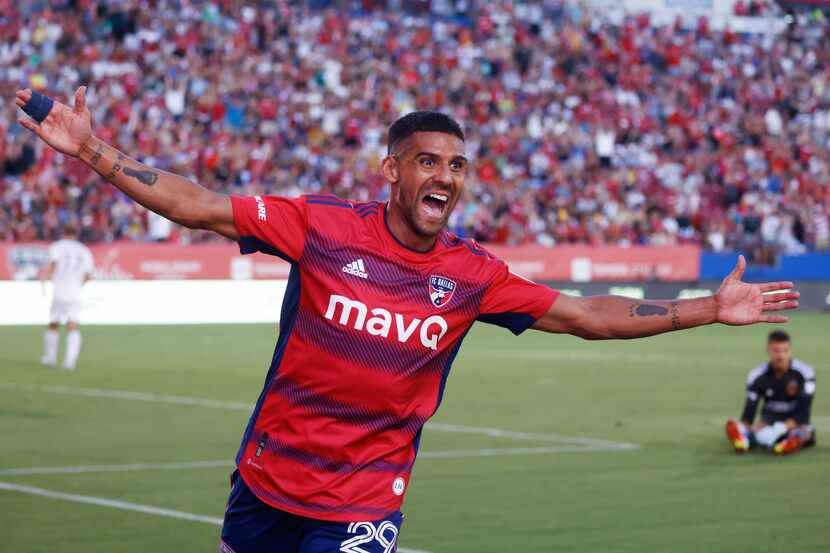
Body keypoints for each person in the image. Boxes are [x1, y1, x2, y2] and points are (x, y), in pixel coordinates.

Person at [16, 87, 800, 553]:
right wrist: (94, 152)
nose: (446, 177)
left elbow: (584, 312)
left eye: (457, 165)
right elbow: (195, 204)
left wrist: (706, 307)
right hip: (265, 479)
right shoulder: (321, 227)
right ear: (391, 169)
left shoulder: (471, 274)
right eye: (429, 160)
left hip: (362, 503)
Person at [725, 331, 816, 455]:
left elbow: (804, 410)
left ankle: (788, 442)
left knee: (804, 432)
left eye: (785, 350)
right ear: (768, 350)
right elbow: (750, 410)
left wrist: (782, 427)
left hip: (795, 422)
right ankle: (744, 439)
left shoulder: (805, 373)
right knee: (757, 431)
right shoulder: (757, 375)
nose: (781, 356)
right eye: (776, 351)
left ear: (791, 350)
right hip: (769, 420)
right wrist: (745, 427)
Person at [40, 223, 94, 370]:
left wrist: (45, 279)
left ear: (64, 232)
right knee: (73, 325)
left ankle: (50, 358)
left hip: (59, 289)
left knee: (53, 323)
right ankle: (70, 361)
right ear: (77, 233)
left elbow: (53, 266)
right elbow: (89, 276)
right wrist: (78, 285)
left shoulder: (57, 246)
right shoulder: (84, 250)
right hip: (75, 292)